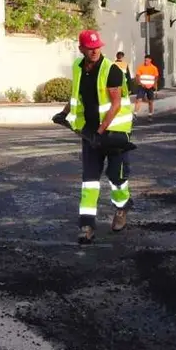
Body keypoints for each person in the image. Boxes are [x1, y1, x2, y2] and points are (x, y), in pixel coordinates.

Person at [53, 30, 135, 245]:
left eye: (97, 46)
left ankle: (122, 207)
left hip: (115, 132)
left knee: (116, 177)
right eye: (90, 47)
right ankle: (86, 225)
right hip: (90, 132)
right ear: (81, 49)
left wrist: (101, 132)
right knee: (89, 180)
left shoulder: (112, 70)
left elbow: (116, 104)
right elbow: (76, 95)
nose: (94, 50)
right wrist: (64, 113)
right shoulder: (78, 68)